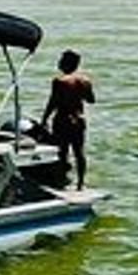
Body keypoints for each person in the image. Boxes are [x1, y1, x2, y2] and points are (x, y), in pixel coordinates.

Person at [40, 49, 96, 188]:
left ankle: (62, 180)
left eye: (61, 60)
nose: (59, 63)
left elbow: (53, 102)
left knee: (62, 152)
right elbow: (91, 100)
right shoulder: (85, 81)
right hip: (79, 119)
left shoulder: (59, 81)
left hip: (63, 119)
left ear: (66, 63)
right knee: (79, 152)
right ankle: (80, 183)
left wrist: (44, 118)